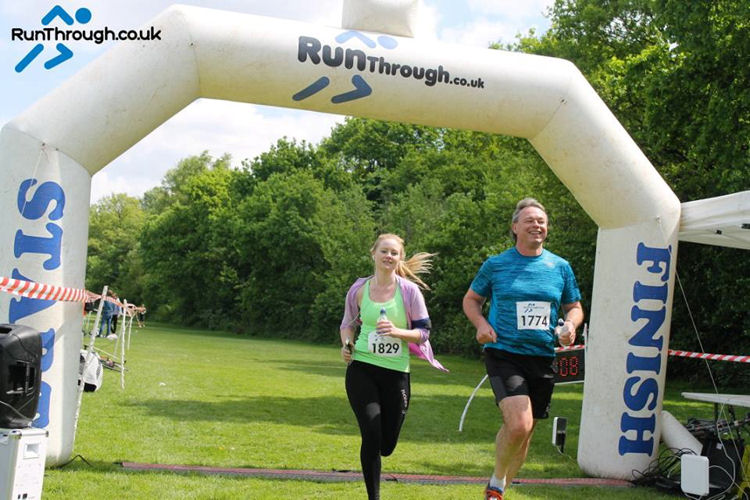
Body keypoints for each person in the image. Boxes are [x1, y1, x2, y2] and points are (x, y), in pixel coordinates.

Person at [462, 198, 584, 500]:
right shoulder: (497, 264)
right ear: (515, 227)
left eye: (541, 220)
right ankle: (496, 485)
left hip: (542, 357)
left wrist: (570, 326)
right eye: (529, 220)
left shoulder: (560, 267)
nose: (536, 225)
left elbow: (575, 308)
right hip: (504, 353)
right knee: (519, 424)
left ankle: (499, 486)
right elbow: (471, 300)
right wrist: (480, 324)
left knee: (525, 434)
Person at [339, 233, 445, 500]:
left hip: (396, 373)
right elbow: (347, 324)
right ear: (373, 253)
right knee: (371, 432)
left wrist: (397, 331)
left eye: (394, 253)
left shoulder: (409, 291)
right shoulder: (359, 289)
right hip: (362, 367)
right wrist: (348, 345)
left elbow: (424, 333)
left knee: (386, 445)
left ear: (400, 258)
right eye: (384, 251)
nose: (388, 256)